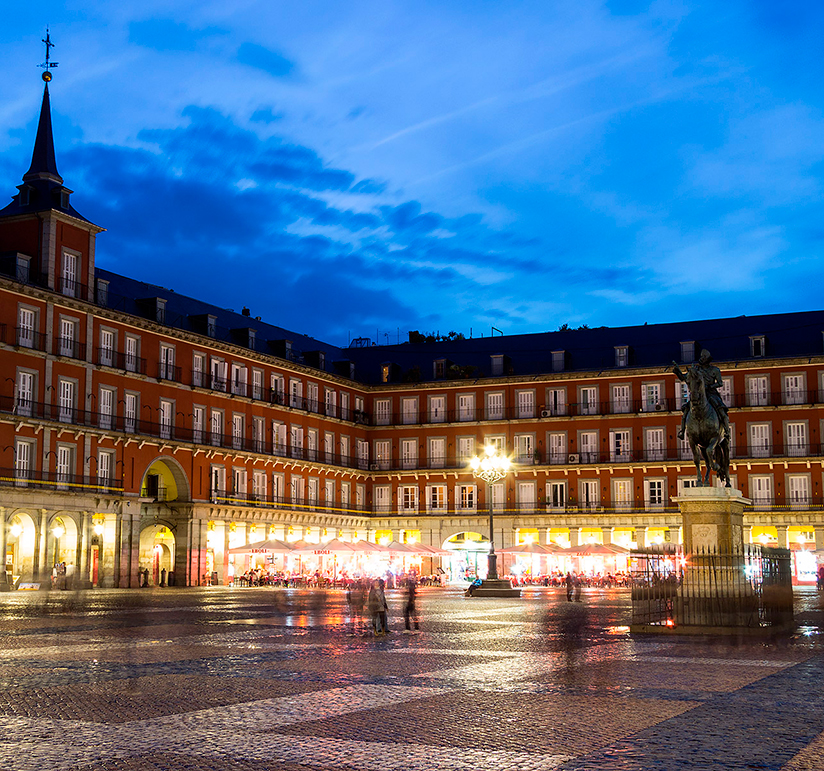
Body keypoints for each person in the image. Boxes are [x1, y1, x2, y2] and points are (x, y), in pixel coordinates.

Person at [673, 349, 730, 441]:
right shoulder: (696, 370)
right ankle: (682, 431)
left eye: (704, 357)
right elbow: (685, 378)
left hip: (711, 393)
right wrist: (677, 372)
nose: (702, 359)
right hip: (699, 395)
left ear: (708, 359)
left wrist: (709, 386)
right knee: (686, 409)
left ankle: (726, 432)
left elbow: (720, 383)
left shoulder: (715, 370)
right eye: (701, 357)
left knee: (722, 412)